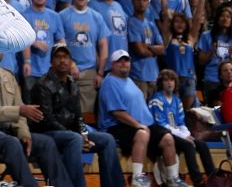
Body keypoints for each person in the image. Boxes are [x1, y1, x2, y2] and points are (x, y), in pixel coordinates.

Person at [0, 49, 76, 187]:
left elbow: (20, 111)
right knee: (11, 143)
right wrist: (19, 110)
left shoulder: (8, 75)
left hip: (8, 129)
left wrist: (24, 134)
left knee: (46, 142)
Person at [31, 40, 125, 187]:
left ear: (71, 61)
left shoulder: (72, 84)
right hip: (48, 134)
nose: (63, 60)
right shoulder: (42, 84)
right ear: (51, 62)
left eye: (66, 57)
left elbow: (78, 116)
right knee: (74, 139)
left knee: (107, 139)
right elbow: (46, 119)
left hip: (70, 134)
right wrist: (76, 136)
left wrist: (85, 135)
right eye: (58, 57)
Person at [97, 50, 189, 187]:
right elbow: (117, 112)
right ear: (113, 64)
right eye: (119, 60)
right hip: (116, 126)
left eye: (126, 60)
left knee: (167, 138)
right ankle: (137, 177)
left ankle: (172, 178)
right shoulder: (110, 82)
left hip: (141, 124)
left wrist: (142, 124)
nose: (124, 63)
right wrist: (137, 125)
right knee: (142, 133)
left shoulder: (129, 81)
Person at [148, 69, 215, 187]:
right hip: (162, 135)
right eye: (166, 80)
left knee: (202, 145)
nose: (170, 83)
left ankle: (213, 177)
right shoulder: (156, 99)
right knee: (188, 145)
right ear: (161, 83)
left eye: (172, 80)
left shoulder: (177, 100)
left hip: (177, 134)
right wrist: (184, 137)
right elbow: (160, 124)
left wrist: (186, 134)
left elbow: (181, 122)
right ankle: (197, 180)